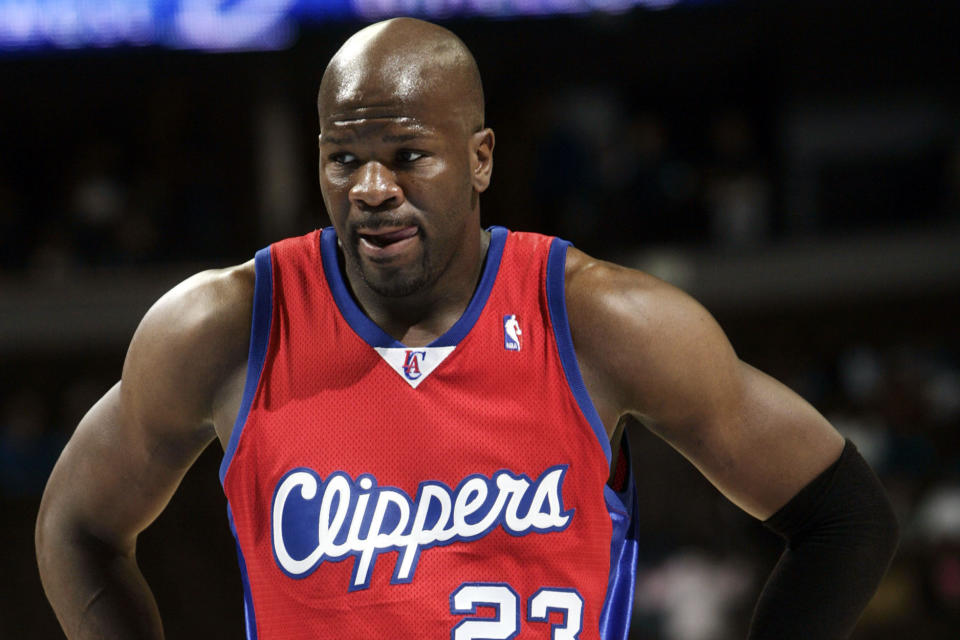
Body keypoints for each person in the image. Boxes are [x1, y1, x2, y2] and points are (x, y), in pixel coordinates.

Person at [36, 17, 898, 640]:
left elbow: (844, 516)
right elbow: (76, 526)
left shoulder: (600, 321)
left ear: (480, 157)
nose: (371, 186)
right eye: (344, 158)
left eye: (407, 155)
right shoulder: (225, 326)